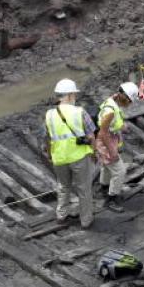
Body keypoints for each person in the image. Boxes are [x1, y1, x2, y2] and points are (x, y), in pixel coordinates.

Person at [44, 79, 96, 228]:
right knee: (84, 189)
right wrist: (94, 152)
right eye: (74, 94)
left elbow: (47, 137)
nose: (75, 97)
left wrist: (49, 154)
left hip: (59, 158)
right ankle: (86, 221)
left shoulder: (49, 114)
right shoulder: (79, 112)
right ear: (70, 95)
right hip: (78, 156)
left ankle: (61, 215)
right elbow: (91, 136)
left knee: (63, 186)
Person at [95, 82, 138, 213]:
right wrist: (112, 151)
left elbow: (110, 125)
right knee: (119, 171)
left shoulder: (112, 100)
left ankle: (103, 188)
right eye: (130, 100)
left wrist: (121, 126)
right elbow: (103, 132)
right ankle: (111, 199)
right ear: (124, 96)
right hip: (105, 142)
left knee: (107, 168)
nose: (130, 103)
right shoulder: (110, 111)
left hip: (106, 140)